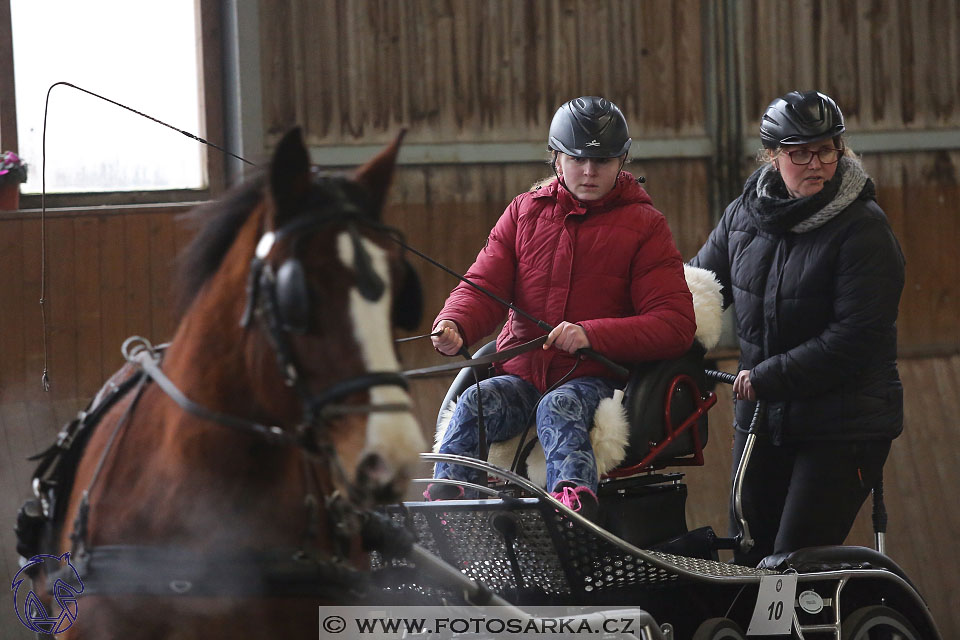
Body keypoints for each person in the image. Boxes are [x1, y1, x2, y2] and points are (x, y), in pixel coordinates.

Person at [427, 96, 696, 520]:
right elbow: (482, 283)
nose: (589, 172)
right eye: (577, 159)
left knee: (559, 406)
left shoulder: (647, 226)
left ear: (622, 160)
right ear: (556, 158)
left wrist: (591, 334)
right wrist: (455, 322)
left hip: (595, 377)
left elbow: (675, 325)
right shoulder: (523, 212)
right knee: (478, 400)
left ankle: (573, 507)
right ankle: (447, 500)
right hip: (521, 376)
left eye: (603, 161)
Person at [690, 90, 905, 566]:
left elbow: (856, 336)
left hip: (842, 426)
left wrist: (768, 377)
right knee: (748, 559)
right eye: (800, 152)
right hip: (766, 420)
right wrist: (646, 335)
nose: (816, 163)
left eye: (827, 149)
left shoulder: (863, 229)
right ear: (772, 155)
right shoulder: (743, 215)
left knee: (790, 563)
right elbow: (699, 292)